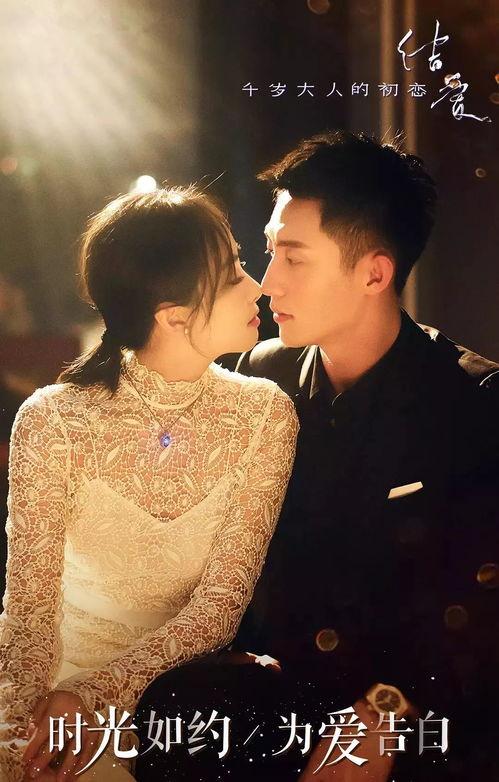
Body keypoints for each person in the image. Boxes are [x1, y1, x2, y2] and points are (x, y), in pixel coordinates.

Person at [136, 132, 499, 781]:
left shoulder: (472, 403)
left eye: (294, 258)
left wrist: (386, 712)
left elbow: (479, 617)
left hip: (415, 713)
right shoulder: (257, 376)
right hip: (278, 701)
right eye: (270, 250)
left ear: (374, 274)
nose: (267, 281)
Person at [0, 186, 298, 782]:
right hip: (49, 692)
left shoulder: (265, 414)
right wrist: (23, 734)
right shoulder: (53, 418)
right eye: (233, 273)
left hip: (181, 704)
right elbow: (29, 608)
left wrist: (90, 697)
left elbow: (218, 611)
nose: (257, 287)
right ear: (173, 316)